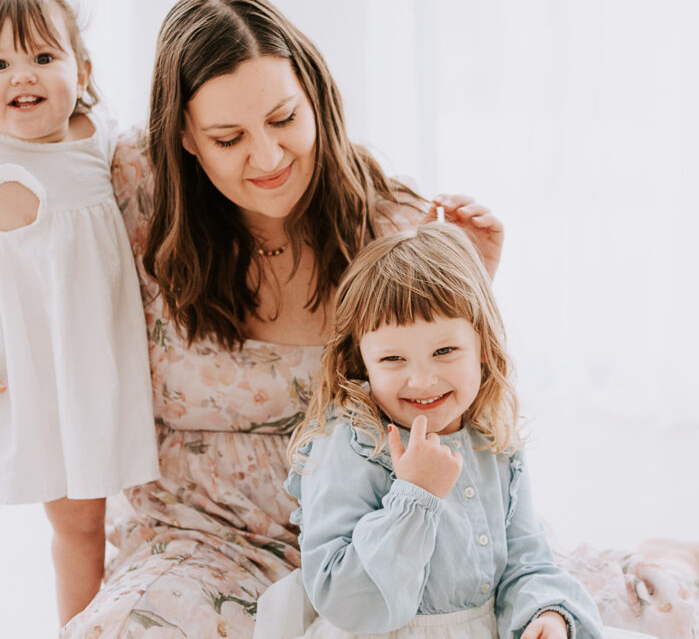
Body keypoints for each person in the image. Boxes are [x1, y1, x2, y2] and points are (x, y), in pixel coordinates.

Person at [0, 0, 699, 639]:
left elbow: (463, 407)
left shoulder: (388, 221)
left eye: (284, 118)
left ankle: (654, 564)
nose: (266, 157)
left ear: (316, 97)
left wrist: (472, 295)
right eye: (226, 139)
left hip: (382, 534)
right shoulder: (130, 191)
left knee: (561, 611)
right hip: (197, 538)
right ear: (180, 137)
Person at [0, 0, 159, 637]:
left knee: (83, 528)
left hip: (78, 383)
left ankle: (77, 629)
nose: (21, 73)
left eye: (43, 55)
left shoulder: (101, 144)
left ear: (82, 73)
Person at [255, 222, 606, 639]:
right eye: (392, 359)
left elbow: (526, 559)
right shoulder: (349, 444)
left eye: (444, 351)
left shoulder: (491, 438)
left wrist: (543, 614)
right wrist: (414, 497)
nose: (421, 380)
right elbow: (342, 597)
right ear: (361, 360)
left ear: (482, 345)